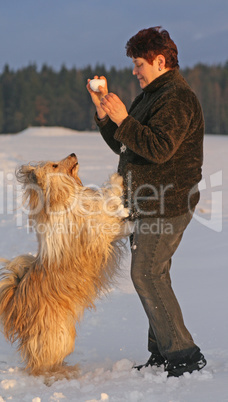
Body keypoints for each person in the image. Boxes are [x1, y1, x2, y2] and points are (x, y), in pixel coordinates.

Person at [86, 26, 206, 377]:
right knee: (155, 274)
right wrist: (108, 117)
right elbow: (128, 145)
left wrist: (124, 118)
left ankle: (184, 355)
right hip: (147, 203)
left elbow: (158, 148)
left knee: (146, 273)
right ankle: (164, 352)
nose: (135, 71)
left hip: (167, 203)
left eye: (139, 64)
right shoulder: (153, 94)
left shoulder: (178, 99)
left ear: (160, 60)